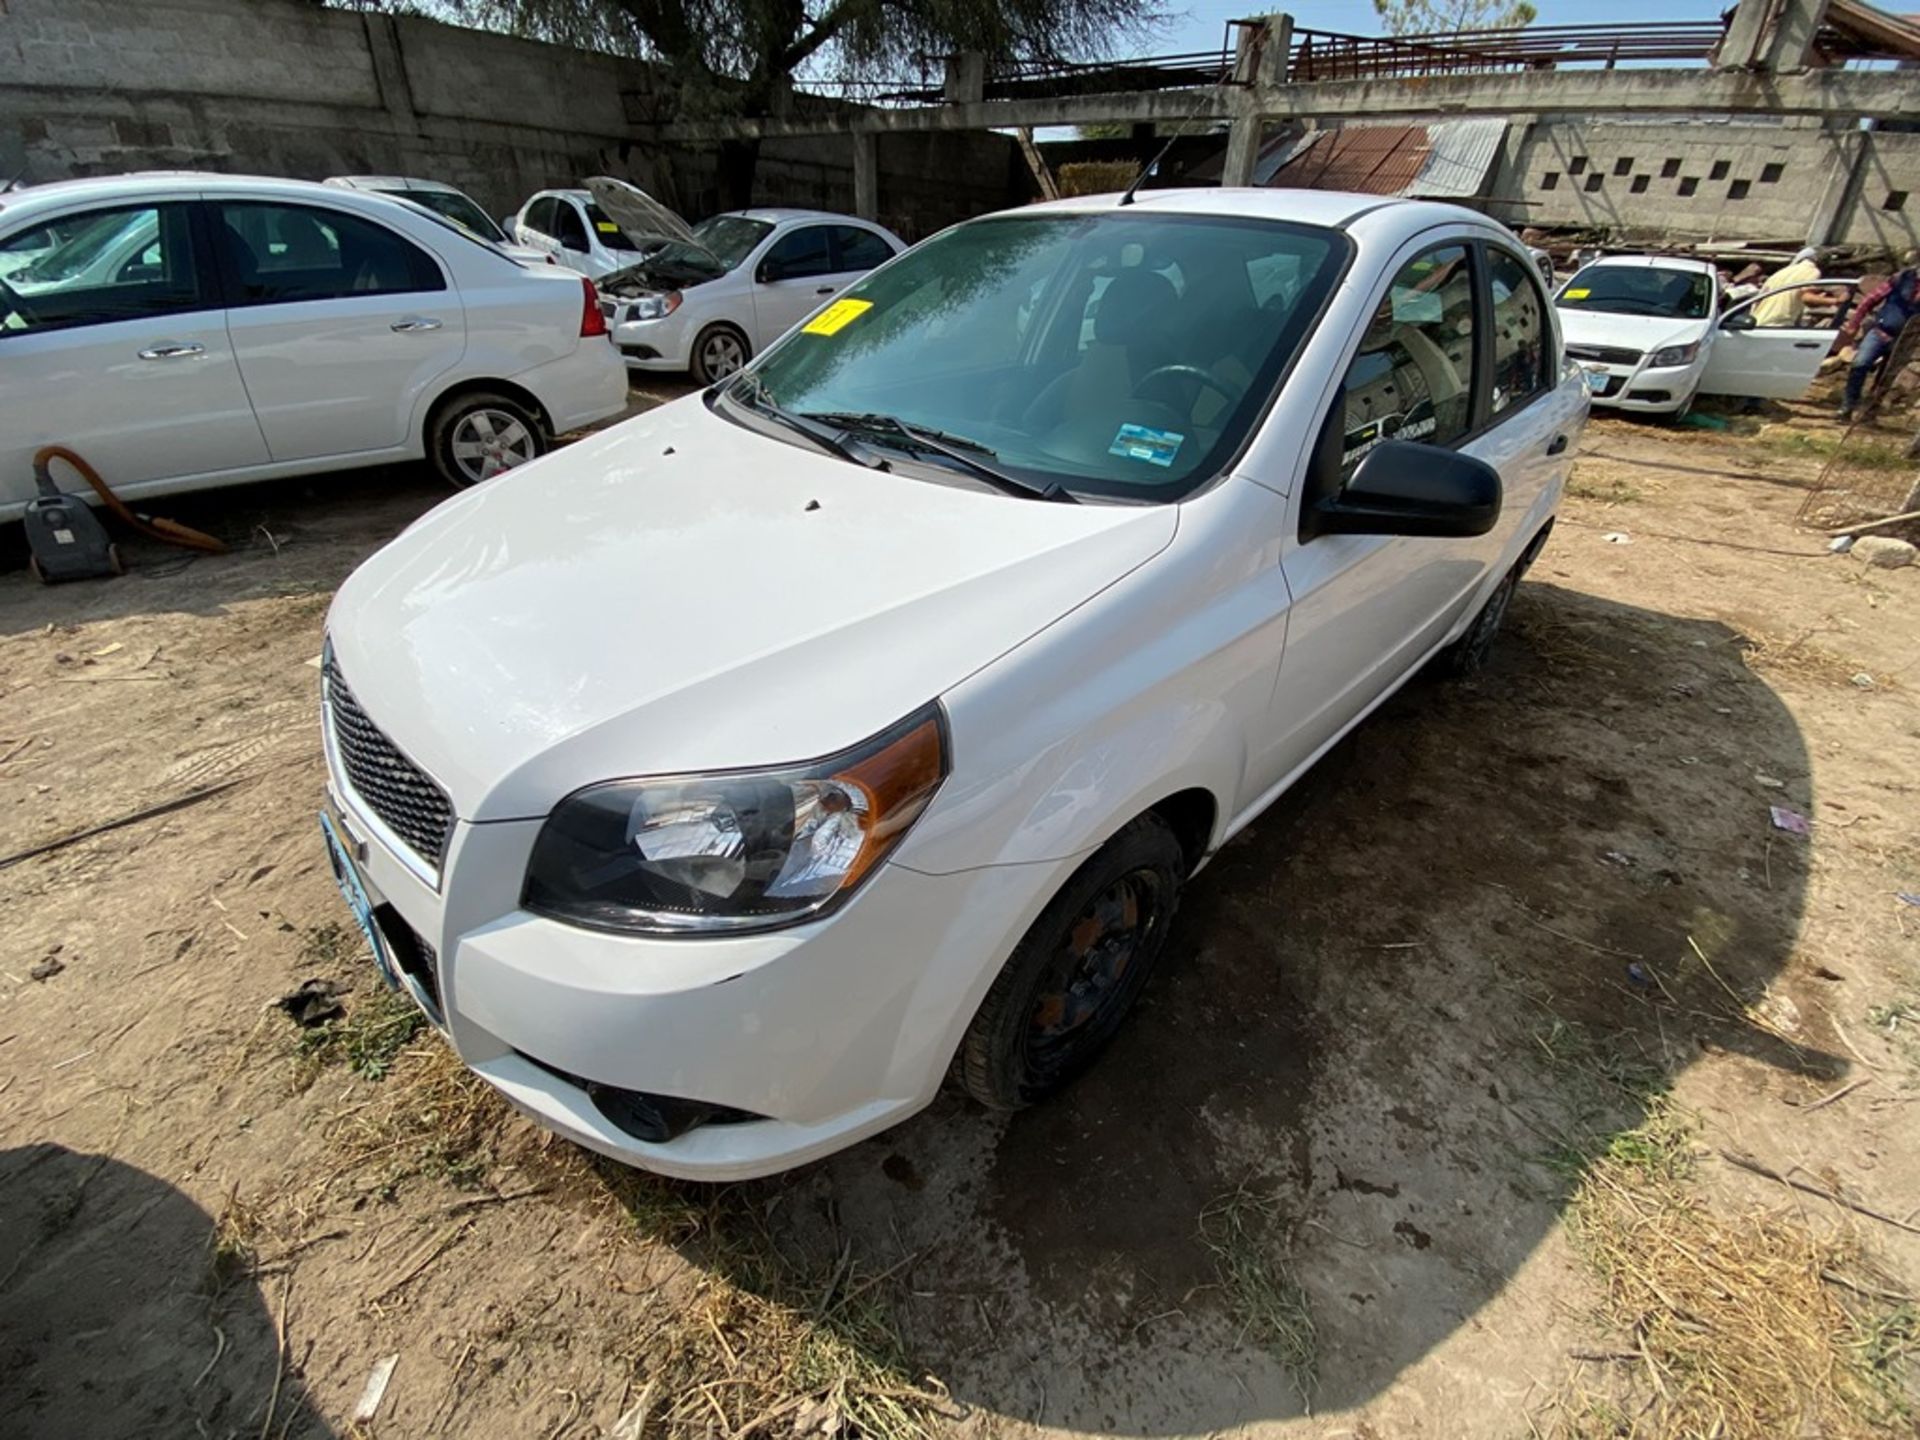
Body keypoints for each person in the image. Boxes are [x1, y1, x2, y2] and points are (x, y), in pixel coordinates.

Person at [1838, 252, 1920, 421]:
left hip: (1905, 340)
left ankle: (1869, 412)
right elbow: (1870, 299)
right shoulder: (1901, 279)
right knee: (1860, 364)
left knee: (1886, 378)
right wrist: (1854, 324)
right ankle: (1847, 406)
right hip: (1881, 331)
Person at [1752, 247, 1824, 327]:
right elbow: (1807, 297)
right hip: (1779, 324)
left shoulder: (1779, 274)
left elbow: (1758, 300)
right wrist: (1834, 301)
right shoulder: (1812, 271)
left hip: (1758, 324)